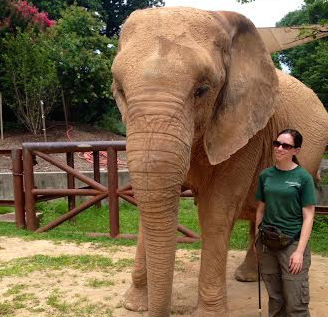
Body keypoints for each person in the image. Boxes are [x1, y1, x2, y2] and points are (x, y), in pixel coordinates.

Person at [255, 129, 317, 317]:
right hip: (267, 243)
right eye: (277, 144)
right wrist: (256, 241)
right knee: (275, 299)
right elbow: (260, 209)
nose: (279, 148)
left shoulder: (303, 178)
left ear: (295, 151)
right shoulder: (265, 175)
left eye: (286, 146)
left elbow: (308, 216)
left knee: (295, 302)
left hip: (292, 244)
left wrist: (299, 252)